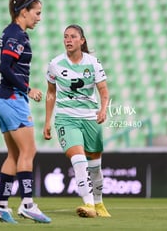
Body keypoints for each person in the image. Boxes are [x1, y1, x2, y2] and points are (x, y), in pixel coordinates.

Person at [0, 0, 51, 224]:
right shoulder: (15, 34)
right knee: (28, 151)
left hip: (3, 99)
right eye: (37, 12)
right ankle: (27, 204)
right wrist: (28, 88)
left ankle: (1, 205)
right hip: (13, 98)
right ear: (23, 12)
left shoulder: (12, 32)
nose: (39, 18)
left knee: (14, 155)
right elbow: (4, 67)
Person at [43, 24, 111, 218]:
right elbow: (50, 93)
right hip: (66, 118)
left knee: (95, 166)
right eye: (65, 37)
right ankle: (88, 204)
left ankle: (98, 203)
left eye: (73, 36)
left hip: (90, 118)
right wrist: (47, 121)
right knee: (79, 160)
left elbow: (104, 92)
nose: (68, 40)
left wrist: (103, 110)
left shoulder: (93, 63)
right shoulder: (55, 63)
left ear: (82, 41)